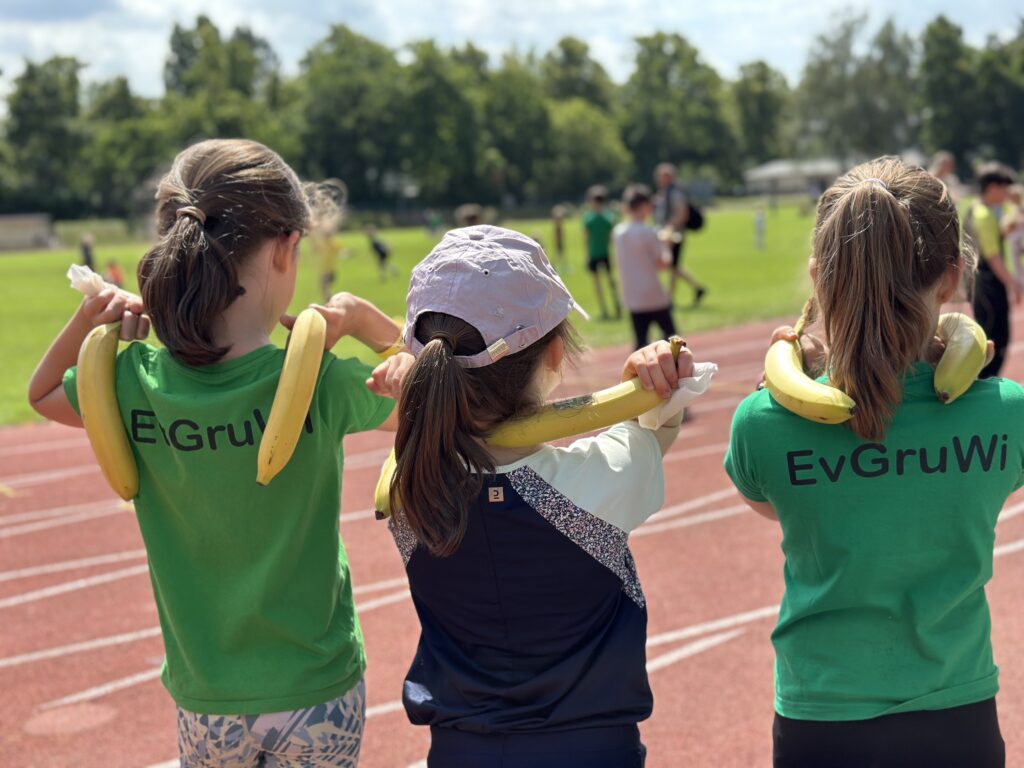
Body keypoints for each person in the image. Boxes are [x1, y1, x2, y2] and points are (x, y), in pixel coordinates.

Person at [27, 139, 414, 768]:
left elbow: (42, 393)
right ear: (288, 248)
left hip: (206, 696)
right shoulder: (315, 378)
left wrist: (93, 322)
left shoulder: (127, 383)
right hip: (316, 688)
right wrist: (375, 327)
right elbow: (434, 404)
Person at [725, 157, 1020, 768]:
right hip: (958, 717)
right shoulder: (1006, 414)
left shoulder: (763, 423)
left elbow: (766, 505)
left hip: (822, 724)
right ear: (951, 277)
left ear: (818, 278)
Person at [386, 225, 696, 768]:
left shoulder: (407, 490)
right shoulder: (598, 481)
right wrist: (647, 378)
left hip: (460, 752)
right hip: (593, 750)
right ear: (555, 353)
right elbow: (654, 429)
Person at [966, 163, 1019, 378]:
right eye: (1004, 187)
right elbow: (993, 256)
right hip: (987, 286)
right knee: (995, 340)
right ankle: (983, 386)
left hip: (981, 284)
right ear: (992, 187)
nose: (1007, 192)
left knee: (990, 339)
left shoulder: (978, 209)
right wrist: (1013, 283)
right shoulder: (984, 215)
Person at [615, 184, 679, 349]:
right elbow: (663, 263)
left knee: (641, 343)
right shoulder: (648, 232)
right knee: (673, 340)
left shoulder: (618, 233)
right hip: (652, 294)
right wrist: (666, 245)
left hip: (632, 295)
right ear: (644, 206)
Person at [653, 162, 707, 306]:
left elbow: (682, 214)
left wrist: (668, 227)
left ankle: (669, 298)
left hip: (674, 234)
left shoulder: (675, 193)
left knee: (672, 265)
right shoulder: (664, 192)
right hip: (667, 233)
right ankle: (697, 288)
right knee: (673, 266)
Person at [581, 185, 622, 319]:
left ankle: (612, 307)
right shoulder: (603, 217)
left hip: (600, 253)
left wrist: (586, 254)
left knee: (607, 282)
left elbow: (586, 238)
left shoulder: (597, 218)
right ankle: (608, 308)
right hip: (598, 254)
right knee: (605, 282)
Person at [550, 204, 569, 272]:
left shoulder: (557, 224)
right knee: (558, 253)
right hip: (558, 241)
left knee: (560, 254)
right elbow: (557, 235)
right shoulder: (557, 225)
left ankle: (562, 266)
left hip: (559, 240)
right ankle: (554, 265)